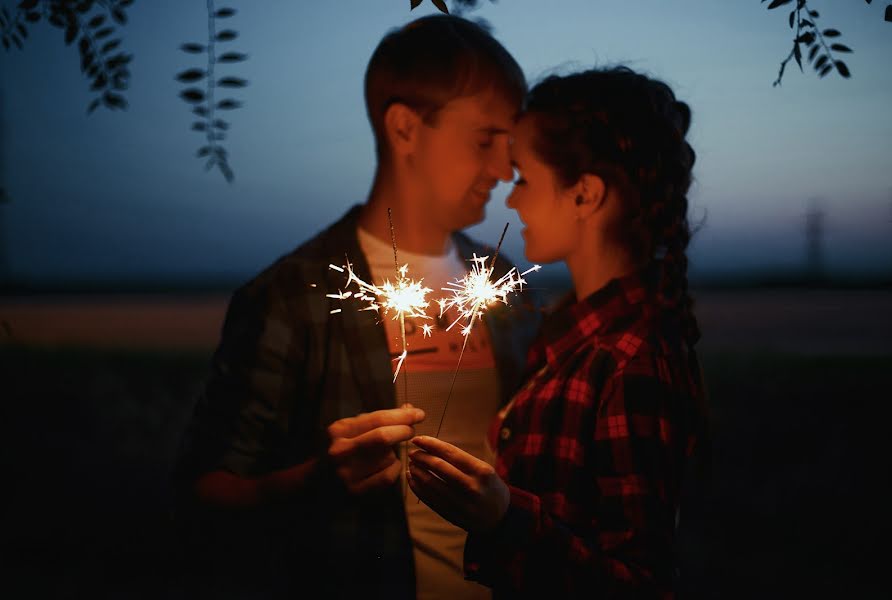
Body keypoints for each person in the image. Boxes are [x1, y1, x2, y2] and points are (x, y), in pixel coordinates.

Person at [172, 14, 541, 600]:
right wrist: (313, 481)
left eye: (510, 144)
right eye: (484, 140)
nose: (505, 169)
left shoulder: (504, 286)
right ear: (405, 129)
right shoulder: (294, 296)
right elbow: (202, 490)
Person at [407, 66, 709, 598]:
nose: (512, 200)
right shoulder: (568, 336)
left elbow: (642, 584)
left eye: (523, 177)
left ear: (584, 195)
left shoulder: (628, 359)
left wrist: (504, 518)